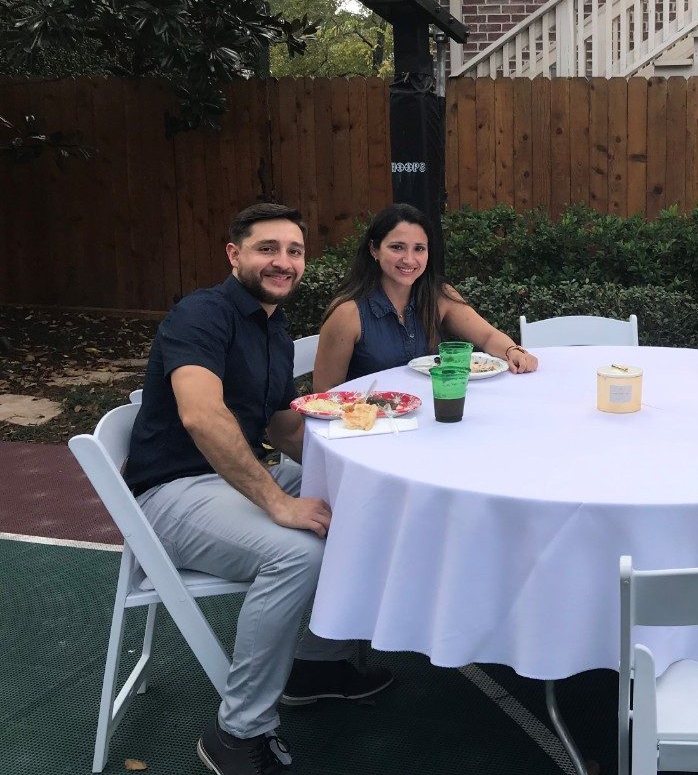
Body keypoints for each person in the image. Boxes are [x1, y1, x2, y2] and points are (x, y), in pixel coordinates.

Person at [125, 203, 392, 775]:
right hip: (169, 493)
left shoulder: (272, 324)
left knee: (364, 505)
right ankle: (237, 732)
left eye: (293, 251)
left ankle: (318, 666)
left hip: (228, 476)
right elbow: (202, 416)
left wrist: (364, 462)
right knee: (298, 553)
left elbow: (276, 423)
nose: (283, 262)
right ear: (234, 254)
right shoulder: (201, 315)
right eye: (267, 248)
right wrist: (279, 503)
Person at [312, 203, 537, 391]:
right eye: (397, 247)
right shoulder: (348, 314)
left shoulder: (439, 295)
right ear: (374, 249)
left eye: (419, 248)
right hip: (371, 427)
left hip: (430, 416)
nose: (409, 260)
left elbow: (487, 336)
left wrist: (513, 351)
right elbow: (325, 396)